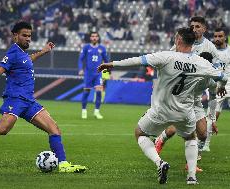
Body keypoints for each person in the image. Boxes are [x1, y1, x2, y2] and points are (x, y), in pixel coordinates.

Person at [0, 21, 86, 173]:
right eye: (24, 35)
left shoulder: (22, 54)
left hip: (29, 101)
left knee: (54, 129)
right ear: (15, 36)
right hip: (15, 99)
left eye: (30, 36)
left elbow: (28, 60)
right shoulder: (12, 53)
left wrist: (43, 51)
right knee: (2, 130)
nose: (28, 38)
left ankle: (63, 165)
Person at [97, 27, 227, 185]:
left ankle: (160, 163)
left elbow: (138, 60)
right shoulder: (201, 63)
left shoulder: (166, 56)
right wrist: (221, 86)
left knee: (140, 134)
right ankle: (192, 177)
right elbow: (222, 76)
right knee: (190, 137)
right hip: (185, 112)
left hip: (161, 110)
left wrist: (113, 64)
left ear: (178, 40)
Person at [155, 17, 220, 168]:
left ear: (204, 29)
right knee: (183, 128)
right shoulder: (181, 43)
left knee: (202, 134)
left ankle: (162, 140)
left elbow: (215, 72)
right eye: (192, 26)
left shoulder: (210, 48)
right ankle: (191, 163)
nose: (195, 29)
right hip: (181, 95)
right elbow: (167, 61)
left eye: (198, 26)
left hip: (196, 97)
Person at [204, 28, 230, 151]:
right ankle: (206, 145)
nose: (217, 38)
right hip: (217, 87)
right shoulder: (211, 52)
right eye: (215, 36)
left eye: (220, 36)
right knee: (211, 116)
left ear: (225, 37)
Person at [78, 31, 109, 119]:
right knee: (86, 92)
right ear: (90, 38)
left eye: (96, 36)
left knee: (99, 92)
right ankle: (84, 110)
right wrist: (80, 69)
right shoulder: (86, 47)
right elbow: (81, 59)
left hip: (98, 74)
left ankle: (97, 111)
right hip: (88, 74)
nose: (94, 38)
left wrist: (107, 73)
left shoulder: (102, 48)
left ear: (98, 38)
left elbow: (106, 61)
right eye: (93, 36)